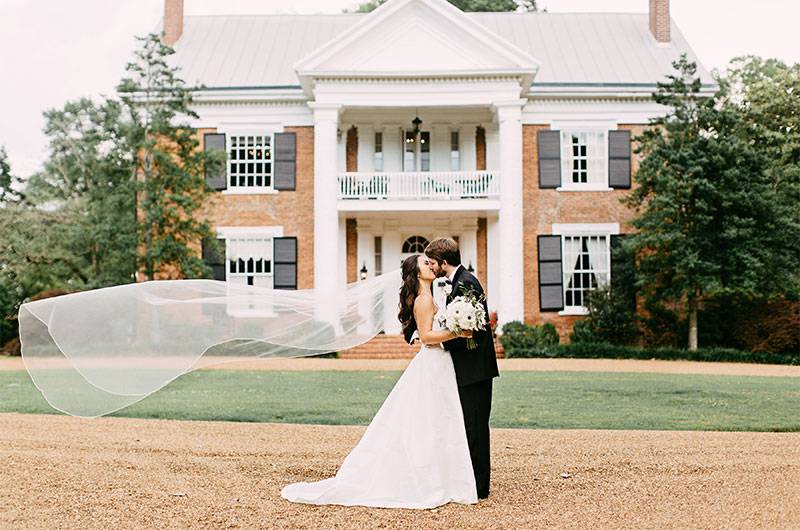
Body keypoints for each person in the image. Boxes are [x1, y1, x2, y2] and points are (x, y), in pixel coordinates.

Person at [280, 254, 479, 509]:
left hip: (437, 364)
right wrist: (457, 332)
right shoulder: (424, 299)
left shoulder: (428, 297)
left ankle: (440, 477)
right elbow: (428, 337)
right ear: (417, 274)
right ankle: (435, 480)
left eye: (430, 262)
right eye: (425, 264)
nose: (431, 265)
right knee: (434, 419)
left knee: (436, 419)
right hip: (433, 362)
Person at [424, 237, 499, 500]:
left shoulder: (466, 282)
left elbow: (471, 331)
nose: (431, 267)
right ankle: (473, 481)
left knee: (476, 426)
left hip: (475, 369)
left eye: (433, 263)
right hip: (470, 367)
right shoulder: (460, 281)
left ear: (445, 262)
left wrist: (441, 343)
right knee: (469, 425)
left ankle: (480, 487)